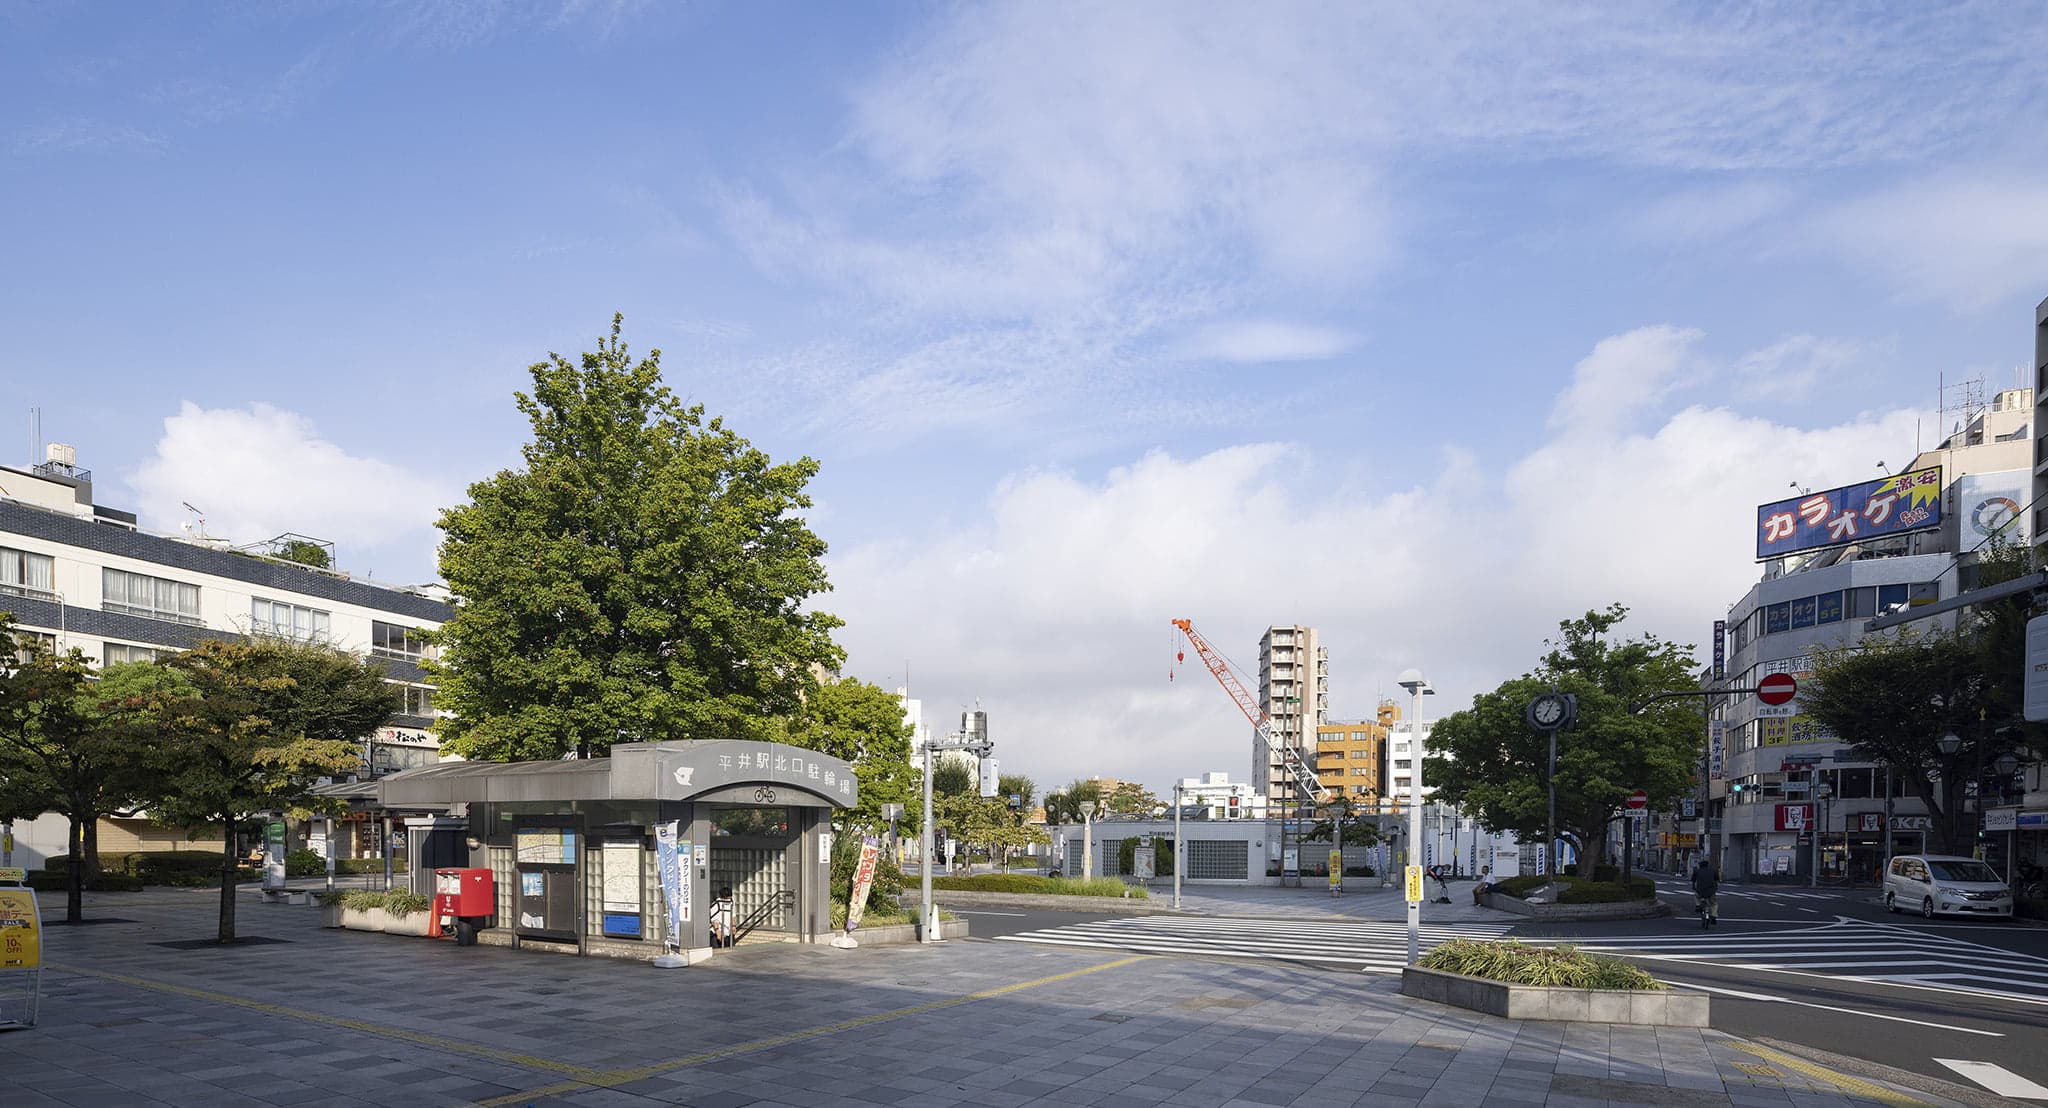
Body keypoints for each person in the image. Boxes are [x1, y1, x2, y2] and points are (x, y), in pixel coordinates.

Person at [1690, 857, 1720, 926]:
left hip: (1700, 890)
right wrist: (1715, 887)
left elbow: (1693, 880)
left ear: (1700, 865)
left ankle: (1698, 905)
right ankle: (1714, 916)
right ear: (1707, 865)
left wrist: (1693, 887)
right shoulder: (1713, 870)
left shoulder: (1697, 871)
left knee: (1696, 896)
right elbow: (1717, 880)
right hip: (1711, 891)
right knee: (1714, 904)